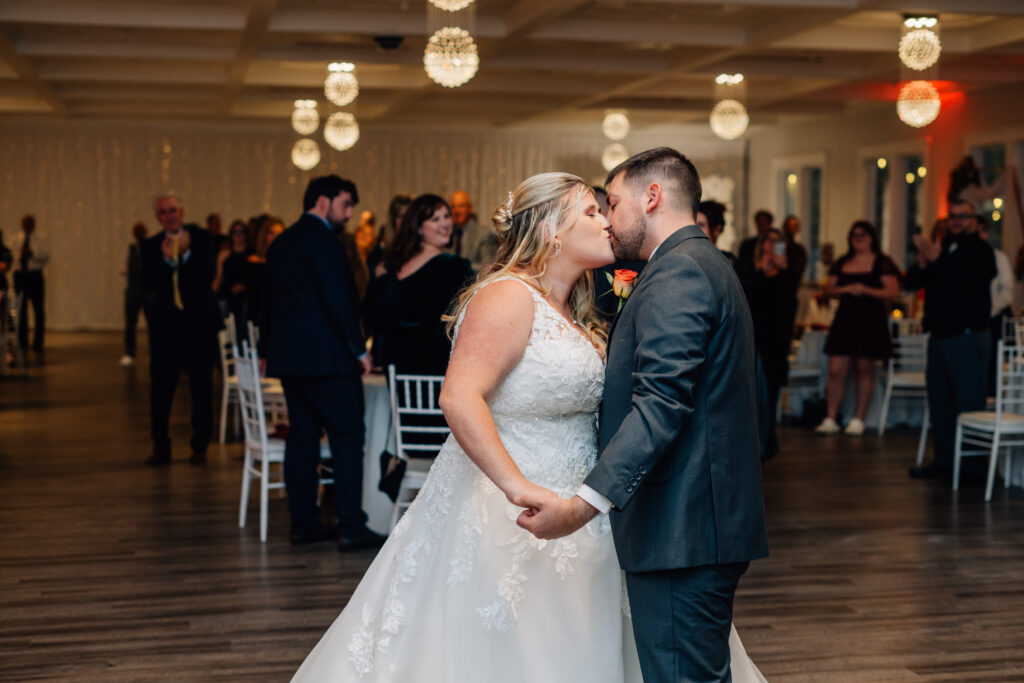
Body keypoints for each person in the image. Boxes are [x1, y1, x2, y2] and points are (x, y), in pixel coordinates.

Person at [291, 170, 765, 683]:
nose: (606, 221)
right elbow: (458, 397)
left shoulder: (577, 306)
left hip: (586, 509)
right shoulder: (507, 297)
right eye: (591, 211)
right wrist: (518, 487)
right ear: (549, 231)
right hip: (510, 511)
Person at [519, 149, 768, 682]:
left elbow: (659, 406)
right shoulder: (698, 263)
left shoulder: (679, 274)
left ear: (651, 197)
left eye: (612, 203)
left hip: (684, 529)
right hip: (698, 524)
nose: (607, 219)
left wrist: (582, 507)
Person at [263, 175, 382, 550]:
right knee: (348, 439)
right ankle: (351, 526)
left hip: (291, 361)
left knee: (302, 439)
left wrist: (270, 350)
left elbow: (267, 302)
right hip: (329, 360)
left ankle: (304, 524)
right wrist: (360, 351)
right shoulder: (326, 243)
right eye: (345, 205)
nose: (349, 214)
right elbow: (339, 301)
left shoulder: (281, 242)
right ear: (321, 202)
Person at [906, 199, 996, 481]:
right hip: (939, 336)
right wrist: (923, 259)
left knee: (968, 402)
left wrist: (934, 259)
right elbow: (913, 282)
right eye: (952, 216)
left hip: (967, 337)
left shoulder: (981, 251)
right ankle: (945, 461)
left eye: (962, 216)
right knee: (940, 401)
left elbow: (963, 282)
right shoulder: (942, 249)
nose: (956, 221)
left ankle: (972, 466)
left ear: (973, 220)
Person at [141, 193, 221, 466]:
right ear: (158, 217)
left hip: (198, 327)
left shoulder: (201, 238)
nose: (169, 216)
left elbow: (208, 275)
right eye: (163, 212)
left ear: (182, 211)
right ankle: (160, 444)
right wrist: (167, 261)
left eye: (172, 210)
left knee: (201, 387)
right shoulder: (151, 246)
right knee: (161, 389)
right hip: (166, 331)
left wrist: (186, 254)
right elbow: (148, 283)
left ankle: (200, 445)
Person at [362, 194, 474, 375]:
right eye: (435, 219)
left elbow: (371, 318)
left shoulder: (390, 269)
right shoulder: (454, 268)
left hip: (398, 376)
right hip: (439, 377)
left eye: (446, 216)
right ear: (419, 228)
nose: (445, 223)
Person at [815, 221, 900, 436]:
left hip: (869, 320)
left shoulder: (882, 262)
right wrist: (847, 289)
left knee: (864, 369)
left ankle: (858, 419)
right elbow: (828, 289)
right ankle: (831, 417)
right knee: (836, 370)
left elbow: (893, 291)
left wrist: (866, 290)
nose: (858, 238)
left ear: (872, 237)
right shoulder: (843, 261)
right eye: (854, 234)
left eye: (863, 234)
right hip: (845, 319)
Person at [745, 227, 799, 458]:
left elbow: (789, 305)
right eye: (770, 240)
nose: (773, 245)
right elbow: (748, 300)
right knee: (752, 394)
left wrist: (783, 269)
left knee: (772, 392)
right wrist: (760, 270)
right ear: (763, 243)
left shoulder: (787, 273)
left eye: (779, 241)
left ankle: (767, 443)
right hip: (753, 340)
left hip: (776, 343)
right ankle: (752, 442)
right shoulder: (750, 268)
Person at [978, 216, 1014, 395]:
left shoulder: (999, 257)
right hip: (968, 321)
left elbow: (1007, 291)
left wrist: (991, 308)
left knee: (991, 365)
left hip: (992, 318)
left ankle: (989, 406)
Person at [11, 214, 48, 352]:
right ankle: (22, 340)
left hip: (34, 276)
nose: (27, 226)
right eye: (25, 223)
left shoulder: (40, 239)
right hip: (20, 276)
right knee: (21, 309)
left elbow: (46, 256)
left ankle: (38, 341)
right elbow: (10, 258)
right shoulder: (15, 239)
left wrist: (32, 252)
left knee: (38, 309)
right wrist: (20, 255)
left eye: (30, 223)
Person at [213, 219, 252, 341]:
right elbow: (218, 280)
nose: (238, 236)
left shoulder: (252, 256)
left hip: (246, 299)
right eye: (235, 232)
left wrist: (244, 287)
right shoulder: (225, 255)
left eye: (241, 232)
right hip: (228, 299)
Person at [120, 221, 149, 367]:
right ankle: (129, 353)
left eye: (141, 231)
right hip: (133, 290)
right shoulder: (131, 248)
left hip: (148, 291)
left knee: (153, 324)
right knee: (130, 323)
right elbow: (124, 267)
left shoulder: (151, 248)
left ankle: (155, 353)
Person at [448, 189, 498, 269]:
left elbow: (488, 268)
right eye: (453, 207)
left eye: (461, 206)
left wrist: (461, 267)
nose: (457, 211)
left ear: (469, 208)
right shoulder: (447, 234)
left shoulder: (484, 234)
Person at [367, 194, 411, 281]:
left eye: (408, 216)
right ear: (393, 219)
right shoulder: (381, 251)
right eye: (401, 216)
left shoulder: (420, 248)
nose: (405, 221)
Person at [781, 214, 808, 282]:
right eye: (789, 226)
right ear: (784, 227)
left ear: (797, 229)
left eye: (794, 226)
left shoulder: (799, 250)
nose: (791, 229)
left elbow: (798, 272)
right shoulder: (779, 245)